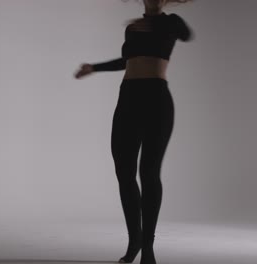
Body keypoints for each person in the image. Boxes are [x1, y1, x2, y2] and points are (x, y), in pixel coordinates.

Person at [74, 0, 193, 263]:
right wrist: (94, 68)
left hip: (157, 100)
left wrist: (156, 22)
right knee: (124, 172)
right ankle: (134, 240)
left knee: (148, 173)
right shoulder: (133, 29)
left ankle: (148, 247)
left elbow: (187, 34)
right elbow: (127, 61)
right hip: (128, 98)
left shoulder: (171, 22)